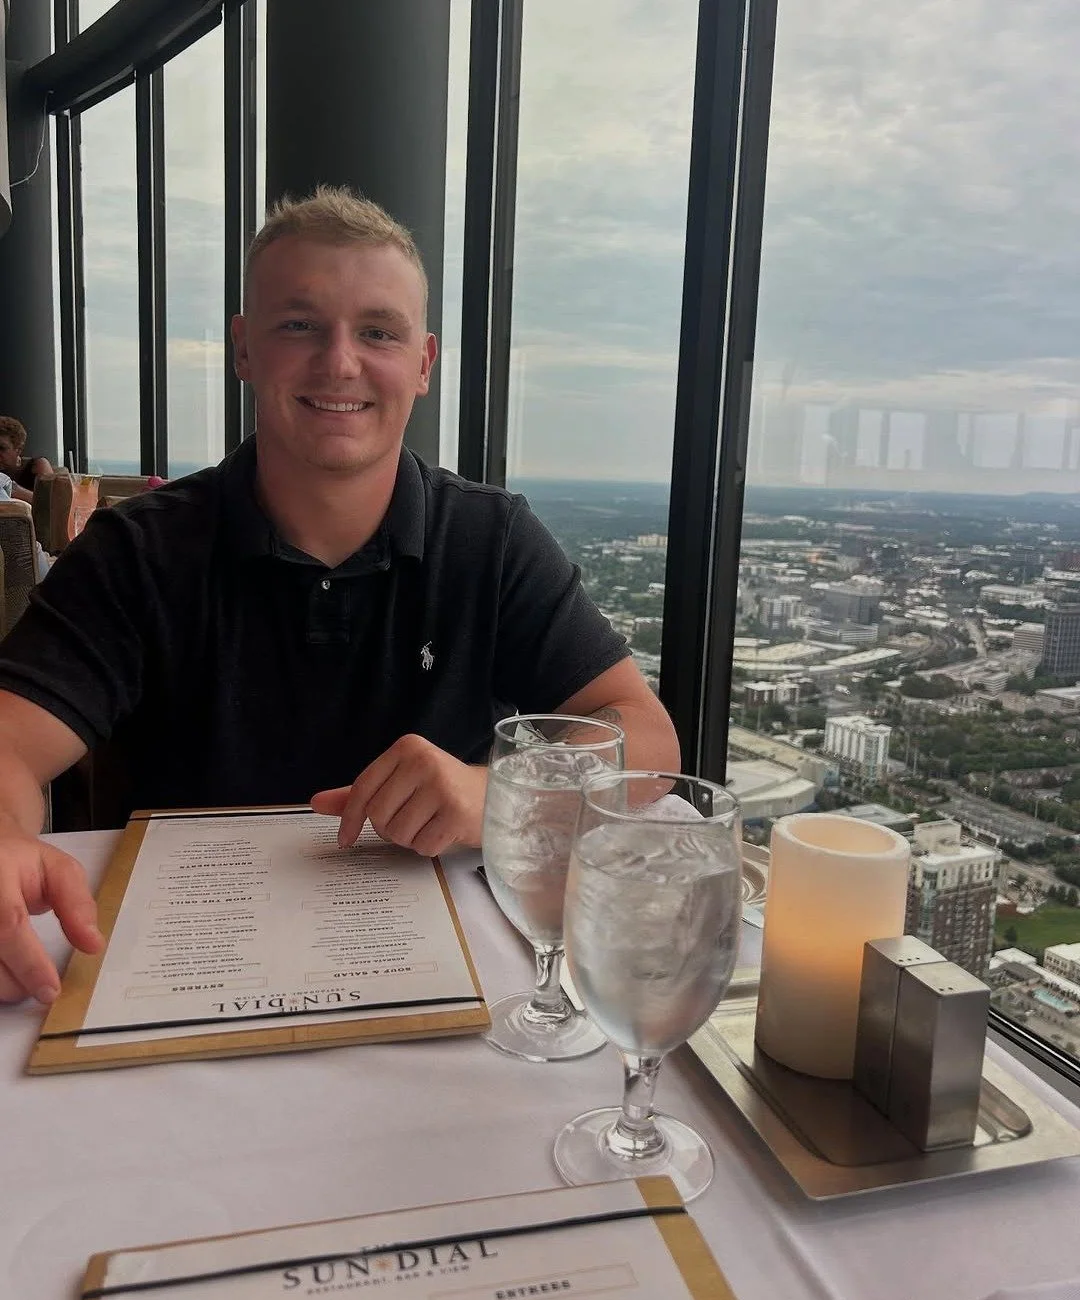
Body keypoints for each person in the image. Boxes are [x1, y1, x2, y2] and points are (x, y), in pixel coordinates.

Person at [0, 186, 680, 1008]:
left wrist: (499, 790)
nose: (340, 363)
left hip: (454, 986)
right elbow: (10, 744)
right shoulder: (138, 553)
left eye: (378, 332)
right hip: (185, 976)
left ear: (423, 365)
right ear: (245, 350)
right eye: (300, 325)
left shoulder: (490, 541)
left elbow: (645, 737)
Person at [0, 416, 54, 503]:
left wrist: (11, 488)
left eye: (2, 448)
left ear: (18, 449)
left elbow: (51, 503)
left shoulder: (37, 465)